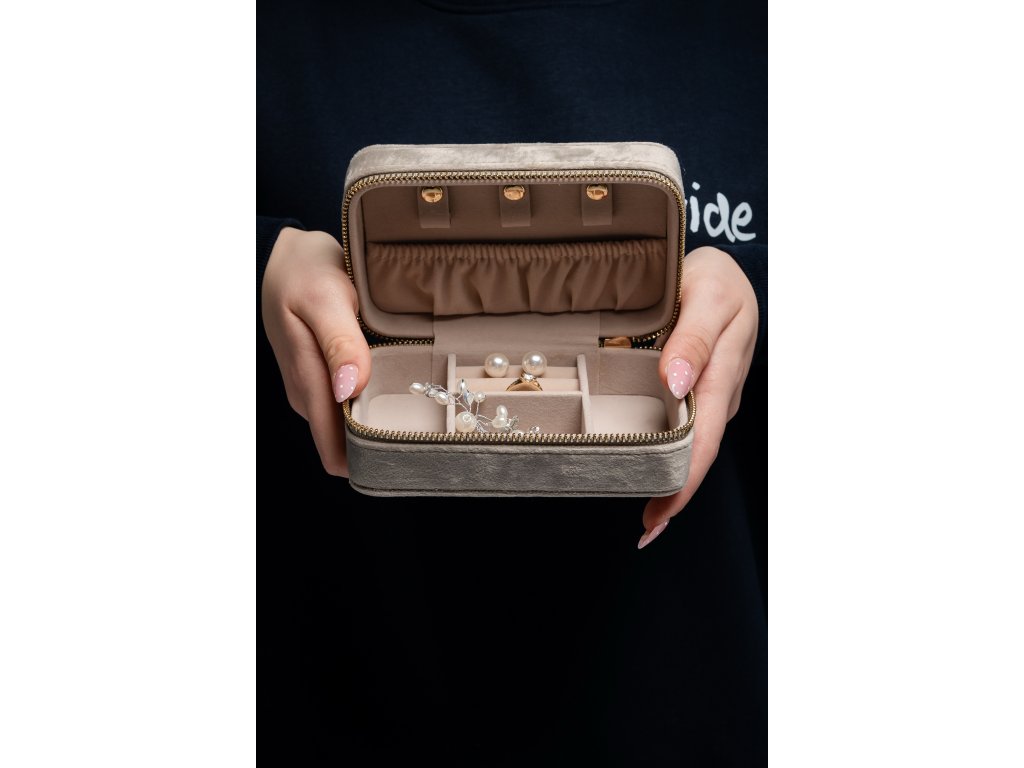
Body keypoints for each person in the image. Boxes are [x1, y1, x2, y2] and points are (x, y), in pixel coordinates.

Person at [259, 1, 766, 763]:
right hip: (347, 669)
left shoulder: (752, 33)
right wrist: (259, 264)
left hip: (681, 683)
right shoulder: (265, 35)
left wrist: (756, 290)